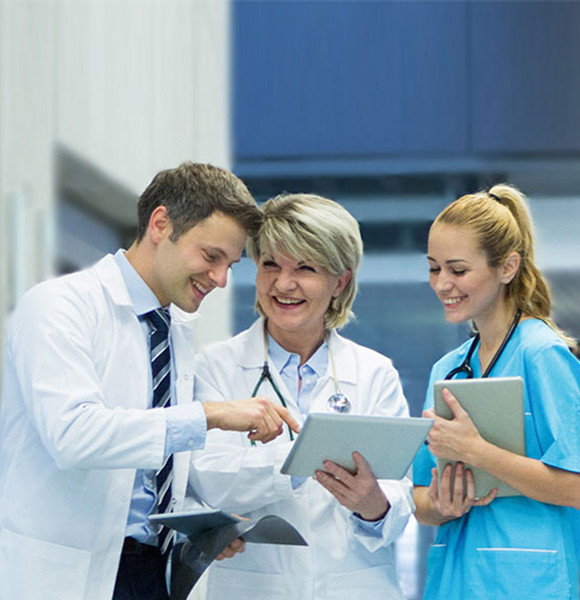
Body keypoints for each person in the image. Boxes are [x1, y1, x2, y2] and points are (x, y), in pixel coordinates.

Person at [0, 162, 299, 600]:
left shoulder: (173, 330)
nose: (219, 279)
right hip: (66, 573)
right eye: (211, 257)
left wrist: (201, 524)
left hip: (153, 574)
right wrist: (209, 416)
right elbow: (74, 436)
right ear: (161, 224)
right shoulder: (57, 307)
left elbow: (143, 477)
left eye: (231, 265)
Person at [188, 193, 414, 600]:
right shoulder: (216, 366)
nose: (283, 283)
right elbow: (207, 479)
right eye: (270, 264)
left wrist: (373, 504)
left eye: (305, 268)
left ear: (340, 281)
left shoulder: (374, 374)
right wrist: (295, 462)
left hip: (357, 587)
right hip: (254, 587)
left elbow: (399, 498)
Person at [413, 184, 580, 600]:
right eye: (434, 268)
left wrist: (477, 452)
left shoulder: (543, 355)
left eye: (457, 269)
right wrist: (442, 504)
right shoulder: (448, 370)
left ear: (507, 267)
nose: (441, 284)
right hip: (458, 579)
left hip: (532, 582)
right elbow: (418, 498)